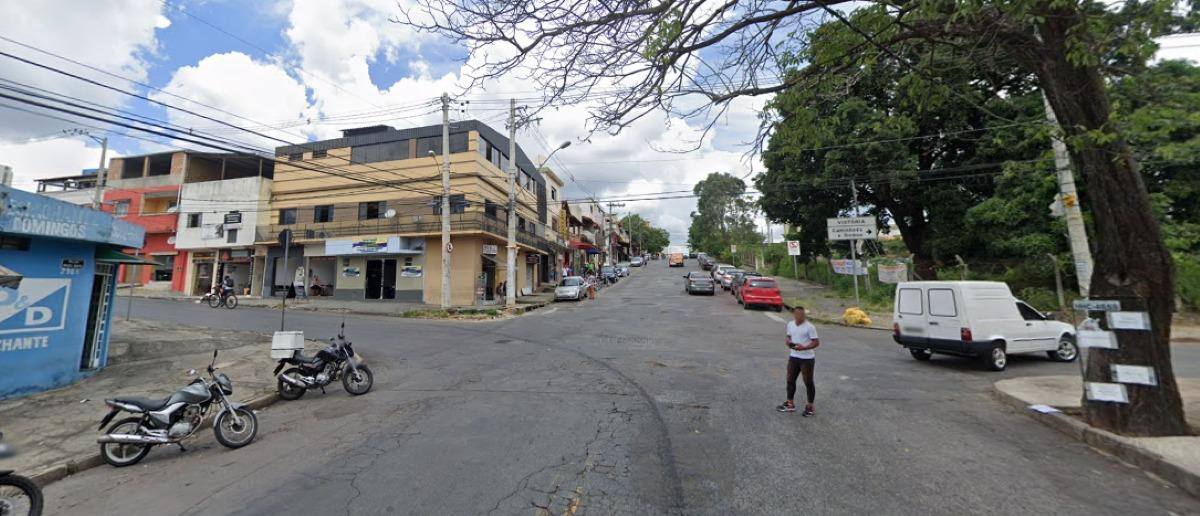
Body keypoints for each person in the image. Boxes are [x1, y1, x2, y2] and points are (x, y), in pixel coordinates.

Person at [778, 306, 820, 416]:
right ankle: (790, 404)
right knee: (790, 380)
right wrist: (788, 341)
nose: (799, 317)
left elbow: (816, 342)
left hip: (807, 359)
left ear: (804, 315)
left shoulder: (810, 327)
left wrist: (804, 347)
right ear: (794, 314)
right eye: (797, 314)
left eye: (802, 315)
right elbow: (788, 336)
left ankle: (810, 407)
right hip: (794, 356)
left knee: (808, 382)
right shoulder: (790, 324)